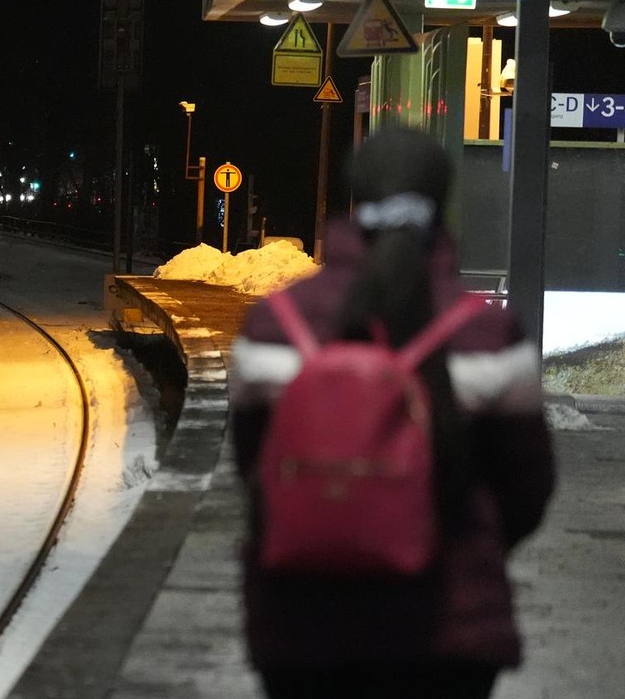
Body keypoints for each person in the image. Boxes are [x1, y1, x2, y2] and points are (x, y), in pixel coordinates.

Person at [227, 127, 554, 699]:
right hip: (449, 627)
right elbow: (527, 486)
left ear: (354, 197)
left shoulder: (276, 322)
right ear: (441, 199)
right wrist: (461, 538)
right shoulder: (487, 330)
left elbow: (256, 467)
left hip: (301, 626)